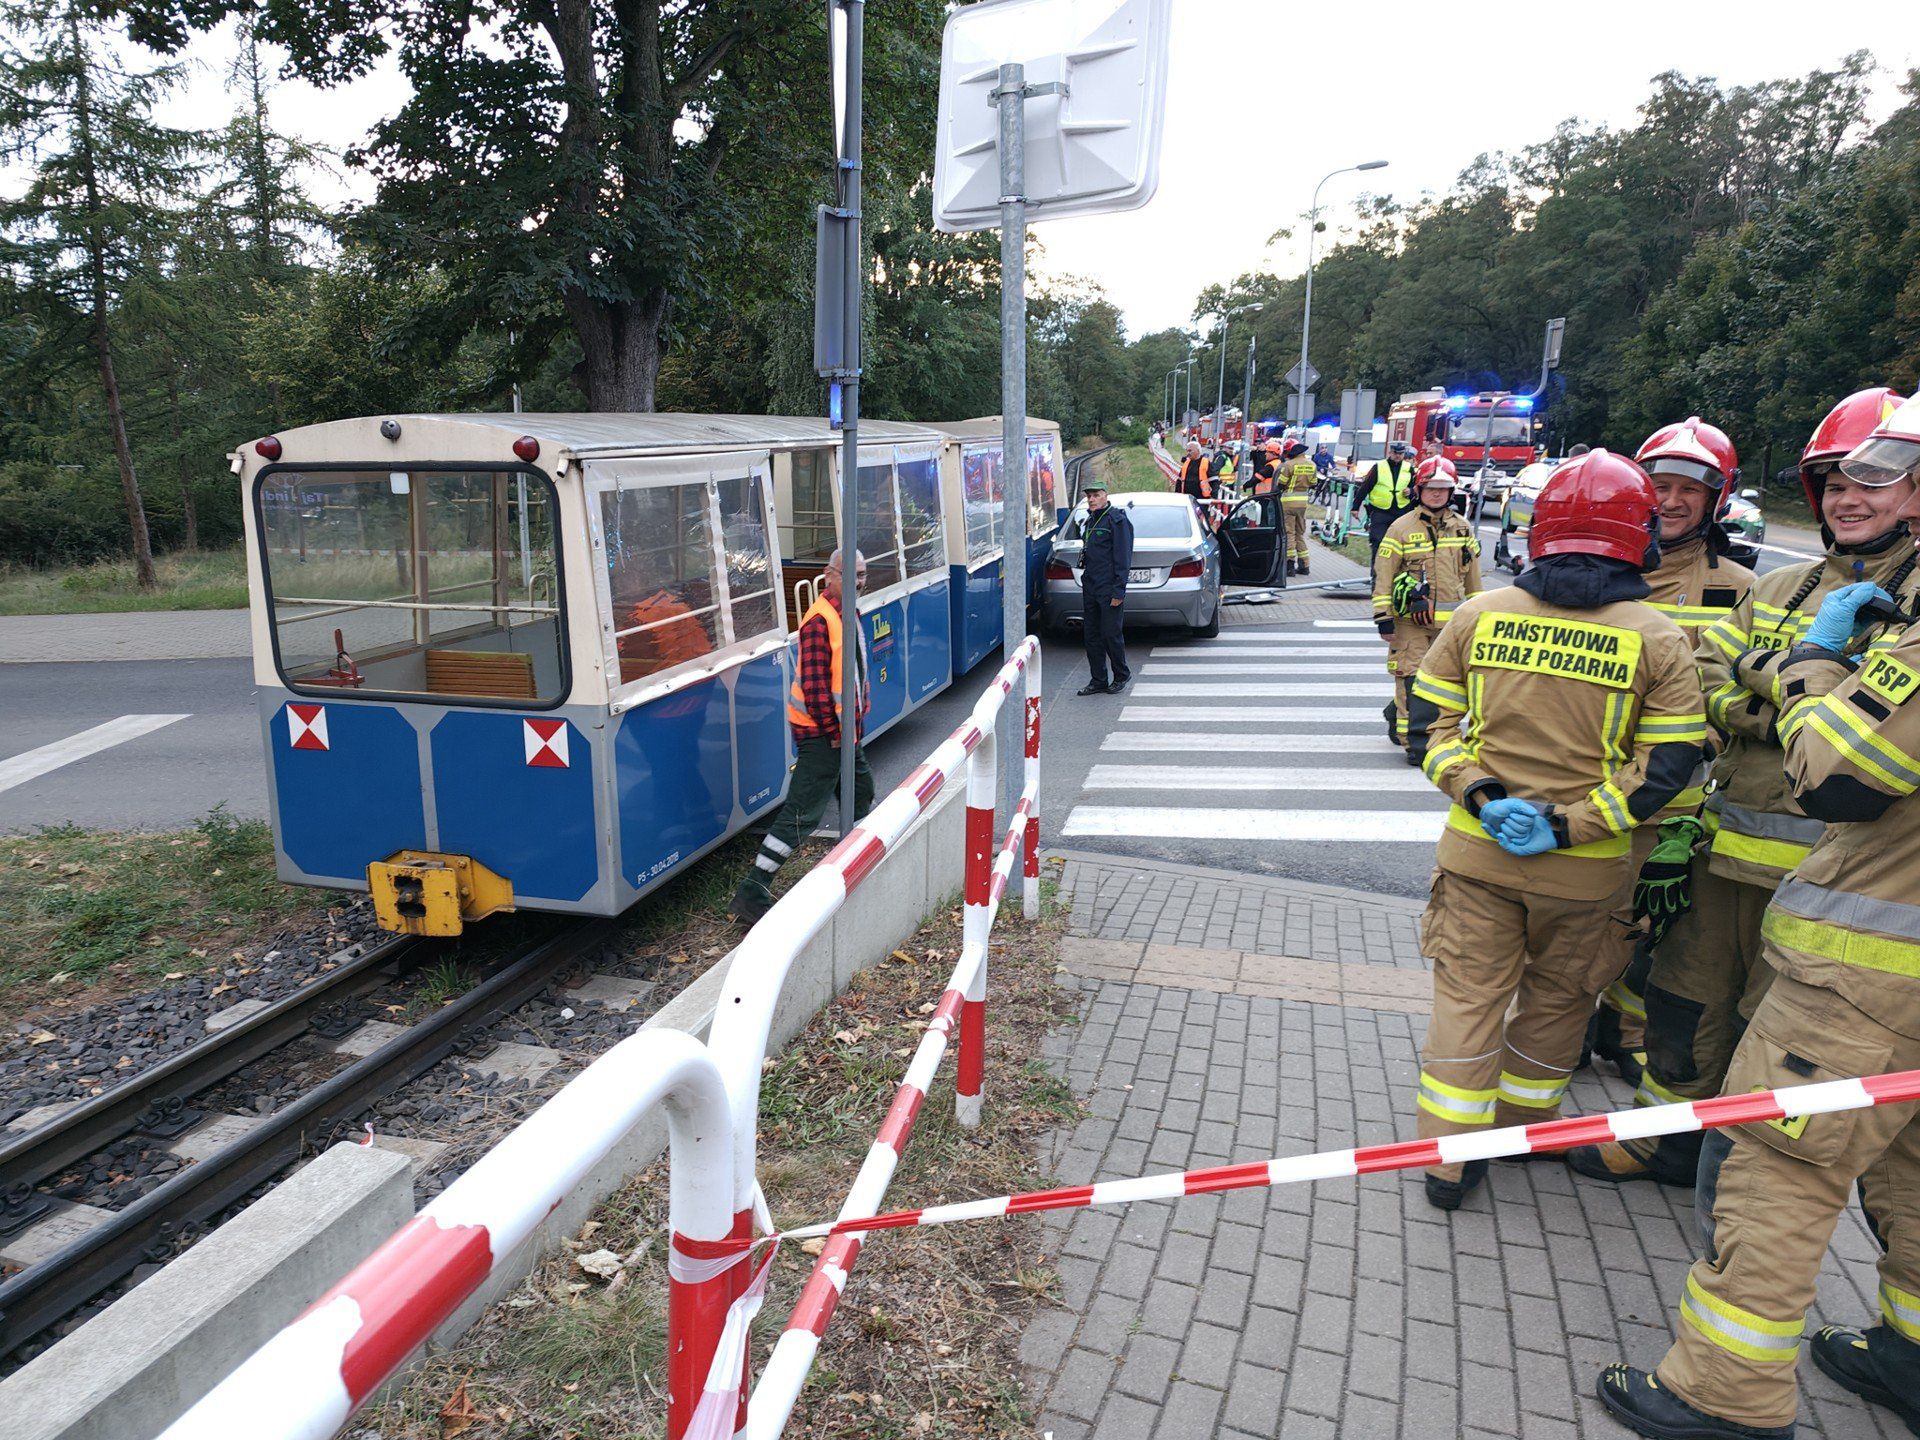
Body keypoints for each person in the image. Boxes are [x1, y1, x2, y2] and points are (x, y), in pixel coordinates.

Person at [1596, 392, 1920, 1440]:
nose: (1854, 496)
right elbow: (1721, 694)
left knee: (1778, 1163)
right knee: (1908, 1164)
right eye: (1838, 480)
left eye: (1881, 476)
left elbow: (1839, 773)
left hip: (1865, 951)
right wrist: (1796, 682)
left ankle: (1724, 1394)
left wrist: (1803, 675)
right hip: (1768, 878)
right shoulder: (1796, 590)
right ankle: (1911, 1356)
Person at [1404, 450, 1704, 1212]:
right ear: (1641, 538)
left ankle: (1448, 1164)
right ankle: (1517, 1131)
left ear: (1539, 532)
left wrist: (1481, 794)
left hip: (1477, 855)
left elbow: (1425, 726)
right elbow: (1666, 772)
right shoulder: (1659, 639)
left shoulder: (1481, 615)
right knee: (1560, 1001)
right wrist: (1567, 827)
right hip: (1588, 870)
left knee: (1467, 1000)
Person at [1587, 418, 1757, 1086]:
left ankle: (1625, 1030)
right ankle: (1567, 1023)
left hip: (1678, 802)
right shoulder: (1603, 572)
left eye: (1691, 489)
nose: (1673, 501)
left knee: (1655, 930)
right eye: (1661, 486)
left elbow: (1731, 688)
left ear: (1716, 500)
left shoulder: (1739, 588)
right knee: (1582, 923)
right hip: (1593, 788)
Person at [729, 549, 873, 925]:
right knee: (800, 815)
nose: (858, 582)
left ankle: (851, 863)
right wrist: (836, 733)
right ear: (829, 575)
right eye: (851, 574)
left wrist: (856, 717)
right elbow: (815, 687)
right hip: (824, 735)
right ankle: (752, 892)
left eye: (862, 575)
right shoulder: (819, 621)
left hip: (841, 733)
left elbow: (852, 672)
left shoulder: (847, 612)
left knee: (861, 790)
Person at [1375, 458, 1482, 757]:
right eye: (1431, 488)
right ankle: (1416, 742)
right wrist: (1383, 617)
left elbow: (1473, 578)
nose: (1437, 494)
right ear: (1419, 490)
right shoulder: (1400, 528)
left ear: (1451, 492)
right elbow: (1383, 573)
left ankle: (1396, 714)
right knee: (1411, 677)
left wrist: (1479, 618)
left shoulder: (1462, 528)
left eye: (1443, 488)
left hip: (1450, 625)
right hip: (1410, 622)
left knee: (1441, 681)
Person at [1076, 478, 1134, 696]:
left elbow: (1123, 558)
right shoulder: (1090, 520)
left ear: (1105, 496)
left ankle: (1121, 675)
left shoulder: (1117, 521)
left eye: (1096, 495)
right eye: (1089, 496)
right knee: (1091, 635)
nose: (1091, 499)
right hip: (1091, 585)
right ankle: (1098, 679)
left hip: (1109, 587)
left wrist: (1119, 591)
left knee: (1111, 634)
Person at [1362, 441, 1419, 555]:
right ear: (1390, 453)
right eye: (1395, 453)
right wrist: (1355, 507)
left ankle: (1394, 565)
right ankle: (1376, 566)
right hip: (1380, 511)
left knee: (1399, 543)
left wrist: (1411, 491)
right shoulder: (1379, 466)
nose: (1397, 455)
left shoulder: (1409, 468)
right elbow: (1366, 486)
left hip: (1401, 511)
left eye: (1400, 453)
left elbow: (1415, 488)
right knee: (1378, 541)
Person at [1278, 441, 1319, 576]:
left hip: (1288, 503)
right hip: (1303, 504)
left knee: (1289, 533)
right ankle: (1304, 566)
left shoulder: (1289, 465)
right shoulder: (1312, 465)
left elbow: (1281, 483)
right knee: (1299, 533)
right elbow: (1314, 483)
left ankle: (1290, 566)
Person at [1176, 440, 1212, 506]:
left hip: (1202, 500)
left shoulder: (1206, 463)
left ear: (1198, 451)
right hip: (1186, 499)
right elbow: (1179, 480)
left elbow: (1214, 480)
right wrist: (1177, 495)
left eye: (1190, 451)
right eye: (1187, 451)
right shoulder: (1186, 463)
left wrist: (1214, 497)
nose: (1188, 453)